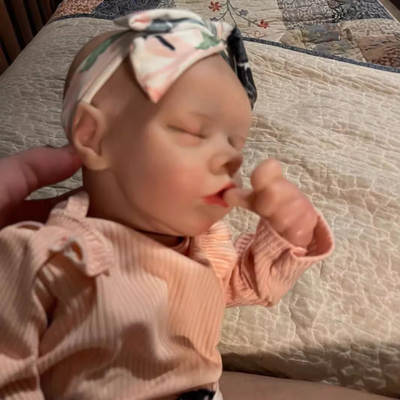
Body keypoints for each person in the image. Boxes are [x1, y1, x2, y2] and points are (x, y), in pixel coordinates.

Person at [0, 8, 389, 400]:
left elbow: (245, 282)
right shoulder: (48, 255)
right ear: (93, 136)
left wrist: (292, 230)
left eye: (235, 144)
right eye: (193, 131)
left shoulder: (205, 245)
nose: (230, 160)